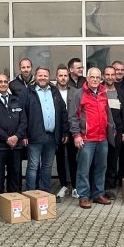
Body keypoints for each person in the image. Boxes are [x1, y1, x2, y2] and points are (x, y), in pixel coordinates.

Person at [68, 67, 115, 208]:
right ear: (87, 79)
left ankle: (98, 194)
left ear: (100, 79)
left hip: (102, 138)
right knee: (83, 169)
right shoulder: (79, 94)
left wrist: (112, 129)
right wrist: (76, 135)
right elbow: (72, 117)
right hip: (86, 138)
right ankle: (83, 196)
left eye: (97, 77)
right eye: (92, 77)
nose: (94, 80)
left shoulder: (103, 92)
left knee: (101, 168)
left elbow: (108, 113)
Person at [0, 74, 26, 213]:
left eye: (5, 81)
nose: (3, 84)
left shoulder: (16, 100)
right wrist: (7, 138)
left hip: (16, 145)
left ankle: (14, 204)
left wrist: (16, 137)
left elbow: (23, 121)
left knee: (15, 175)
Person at [20, 67, 67, 192]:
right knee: (33, 166)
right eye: (40, 75)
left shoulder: (54, 91)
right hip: (34, 136)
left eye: (45, 76)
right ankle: (31, 193)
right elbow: (22, 114)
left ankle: (45, 192)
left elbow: (63, 112)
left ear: (49, 77)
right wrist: (23, 135)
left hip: (52, 136)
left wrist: (64, 131)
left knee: (47, 166)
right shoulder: (28, 92)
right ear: (35, 76)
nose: (43, 78)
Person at [102, 65, 124, 199]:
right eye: (107, 74)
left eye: (112, 75)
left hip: (117, 132)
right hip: (100, 132)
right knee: (100, 161)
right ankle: (98, 187)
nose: (110, 77)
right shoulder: (98, 90)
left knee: (112, 161)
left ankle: (109, 187)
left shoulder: (121, 92)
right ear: (103, 76)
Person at [54, 66, 78, 201]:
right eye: (60, 75)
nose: (63, 78)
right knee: (60, 159)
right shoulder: (52, 92)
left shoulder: (75, 92)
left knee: (73, 159)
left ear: (68, 77)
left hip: (71, 129)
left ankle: (74, 186)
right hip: (57, 131)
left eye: (65, 75)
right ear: (56, 77)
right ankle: (63, 185)